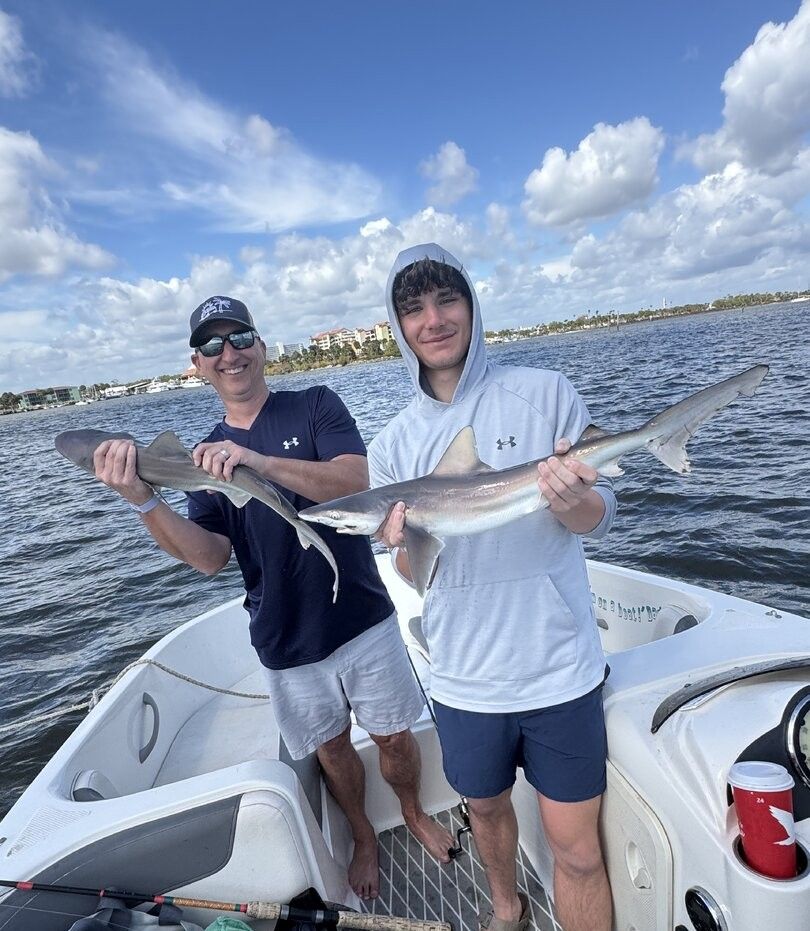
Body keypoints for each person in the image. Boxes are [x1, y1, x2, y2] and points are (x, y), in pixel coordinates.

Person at [91, 295, 454, 900]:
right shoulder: (198, 458)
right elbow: (209, 558)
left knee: (394, 736)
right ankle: (364, 833)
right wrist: (143, 500)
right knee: (333, 749)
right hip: (285, 637)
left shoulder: (315, 405)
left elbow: (357, 481)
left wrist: (255, 463)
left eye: (240, 339)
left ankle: (413, 812)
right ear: (197, 365)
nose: (228, 353)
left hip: (363, 616)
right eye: (212, 346)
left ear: (261, 347)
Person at [371, 246, 615, 931]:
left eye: (446, 299)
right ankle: (506, 907)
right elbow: (413, 578)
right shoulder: (393, 444)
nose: (433, 319)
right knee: (482, 808)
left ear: (472, 305)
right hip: (464, 679)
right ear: (397, 326)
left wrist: (570, 501)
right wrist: (405, 543)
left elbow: (599, 516)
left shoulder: (545, 392)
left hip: (557, 670)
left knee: (579, 852)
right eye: (413, 308)